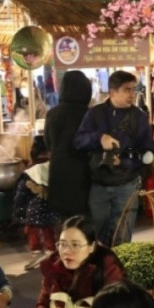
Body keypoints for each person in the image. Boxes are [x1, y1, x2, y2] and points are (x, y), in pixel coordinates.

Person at [73, 70, 154, 246]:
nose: (132, 95)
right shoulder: (95, 114)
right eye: (127, 90)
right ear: (112, 92)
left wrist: (124, 160)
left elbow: (147, 152)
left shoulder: (139, 117)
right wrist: (99, 138)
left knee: (123, 235)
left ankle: (119, 271)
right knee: (97, 232)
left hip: (127, 183)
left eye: (134, 89)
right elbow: (78, 141)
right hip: (99, 184)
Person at [44, 70, 94, 219]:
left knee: (65, 221)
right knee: (84, 223)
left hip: (59, 174)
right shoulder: (90, 114)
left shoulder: (52, 114)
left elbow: (48, 144)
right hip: (85, 175)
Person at [12, 137, 61, 270]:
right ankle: (52, 252)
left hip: (34, 210)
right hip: (52, 208)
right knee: (49, 231)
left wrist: (18, 213)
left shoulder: (30, 172)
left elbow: (21, 195)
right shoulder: (55, 167)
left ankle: (37, 252)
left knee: (32, 230)